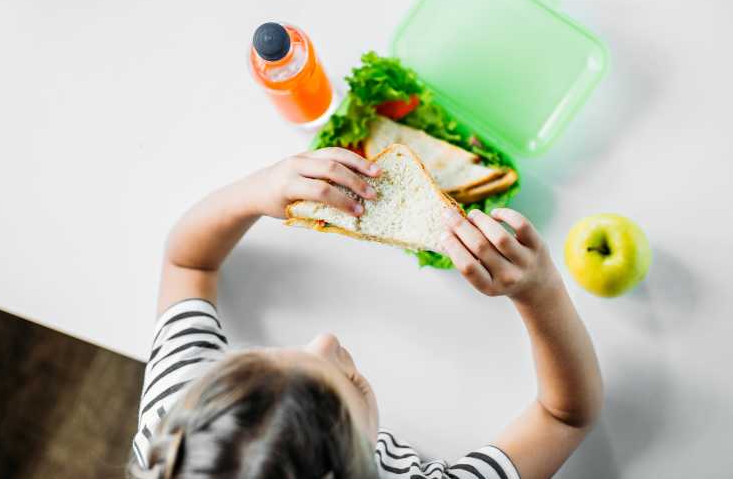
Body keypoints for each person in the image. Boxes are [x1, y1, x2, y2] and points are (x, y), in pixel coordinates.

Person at [128, 147, 603, 479]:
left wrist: (259, 189)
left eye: (266, 357)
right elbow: (566, 416)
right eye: (342, 388)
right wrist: (539, 291)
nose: (327, 342)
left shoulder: (177, 430)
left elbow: (186, 262)